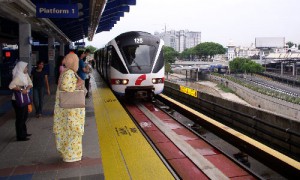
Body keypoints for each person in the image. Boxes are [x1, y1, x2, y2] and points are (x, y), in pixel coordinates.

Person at [53, 53, 85, 162]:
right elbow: (66, 87)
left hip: (64, 109)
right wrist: (79, 83)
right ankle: (71, 156)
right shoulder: (70, 73)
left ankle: (67, 154)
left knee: (66, 131)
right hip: (71, 111)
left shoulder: (65, 72)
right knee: (72, 131)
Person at [9, 61, 33, 141]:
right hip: (17, 100)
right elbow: (11, 86)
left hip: (24, 99)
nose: (27, 68)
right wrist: (22, 89)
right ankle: (20, 136)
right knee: (20, 117)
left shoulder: (25, 75)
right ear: (21, 68)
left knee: (25, 116)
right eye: (25, 67)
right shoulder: (18, 76)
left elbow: (30, 84)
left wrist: (27, 89)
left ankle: (24, 132)